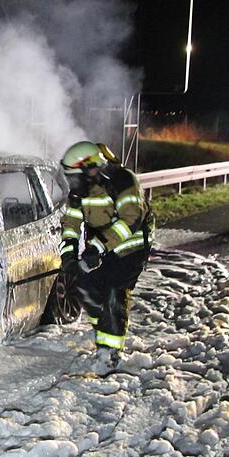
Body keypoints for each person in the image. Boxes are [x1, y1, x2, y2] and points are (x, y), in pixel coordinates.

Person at [58, 141, 153, 374]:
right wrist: (68, 252)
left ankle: (109, 355)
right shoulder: (79, 191)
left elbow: (131, 219)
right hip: (100, 247)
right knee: (85, 285)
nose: (72, 182)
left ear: (91, 168)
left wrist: (97, 247)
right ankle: (105, 330)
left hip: (131, 246)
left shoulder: (123, 181)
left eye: (74, 176)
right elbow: (70, 221)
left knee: (114, 292)